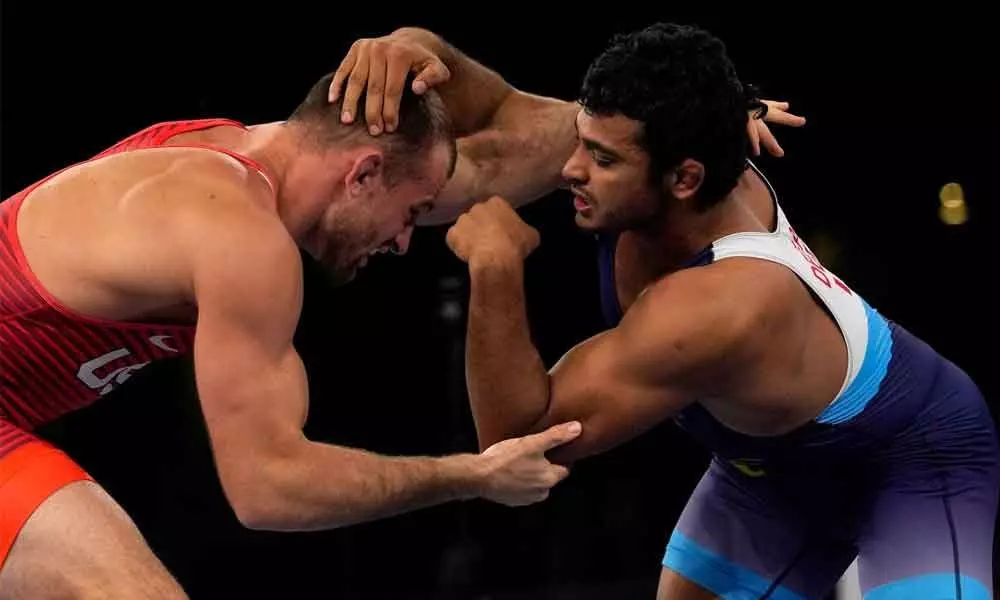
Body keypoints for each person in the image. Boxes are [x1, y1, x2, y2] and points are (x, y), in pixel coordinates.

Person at [334, 23, 999, 600]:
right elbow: (494, 101)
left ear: (685, 178)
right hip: (765, 472)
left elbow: (517, 436)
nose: (569, 167)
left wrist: (495, 266)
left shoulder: (720, 308)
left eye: (599, 158)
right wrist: (405, 47)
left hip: (916, 460)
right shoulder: (670, 144)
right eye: (582, 138)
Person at [0, 69, 593, 599]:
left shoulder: (216, 150)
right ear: (364, 172)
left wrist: (421, 48)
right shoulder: (243, 237)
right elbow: (268, 487)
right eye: (412, 213)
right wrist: (474, 475)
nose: (405, 242)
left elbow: (519, 153)